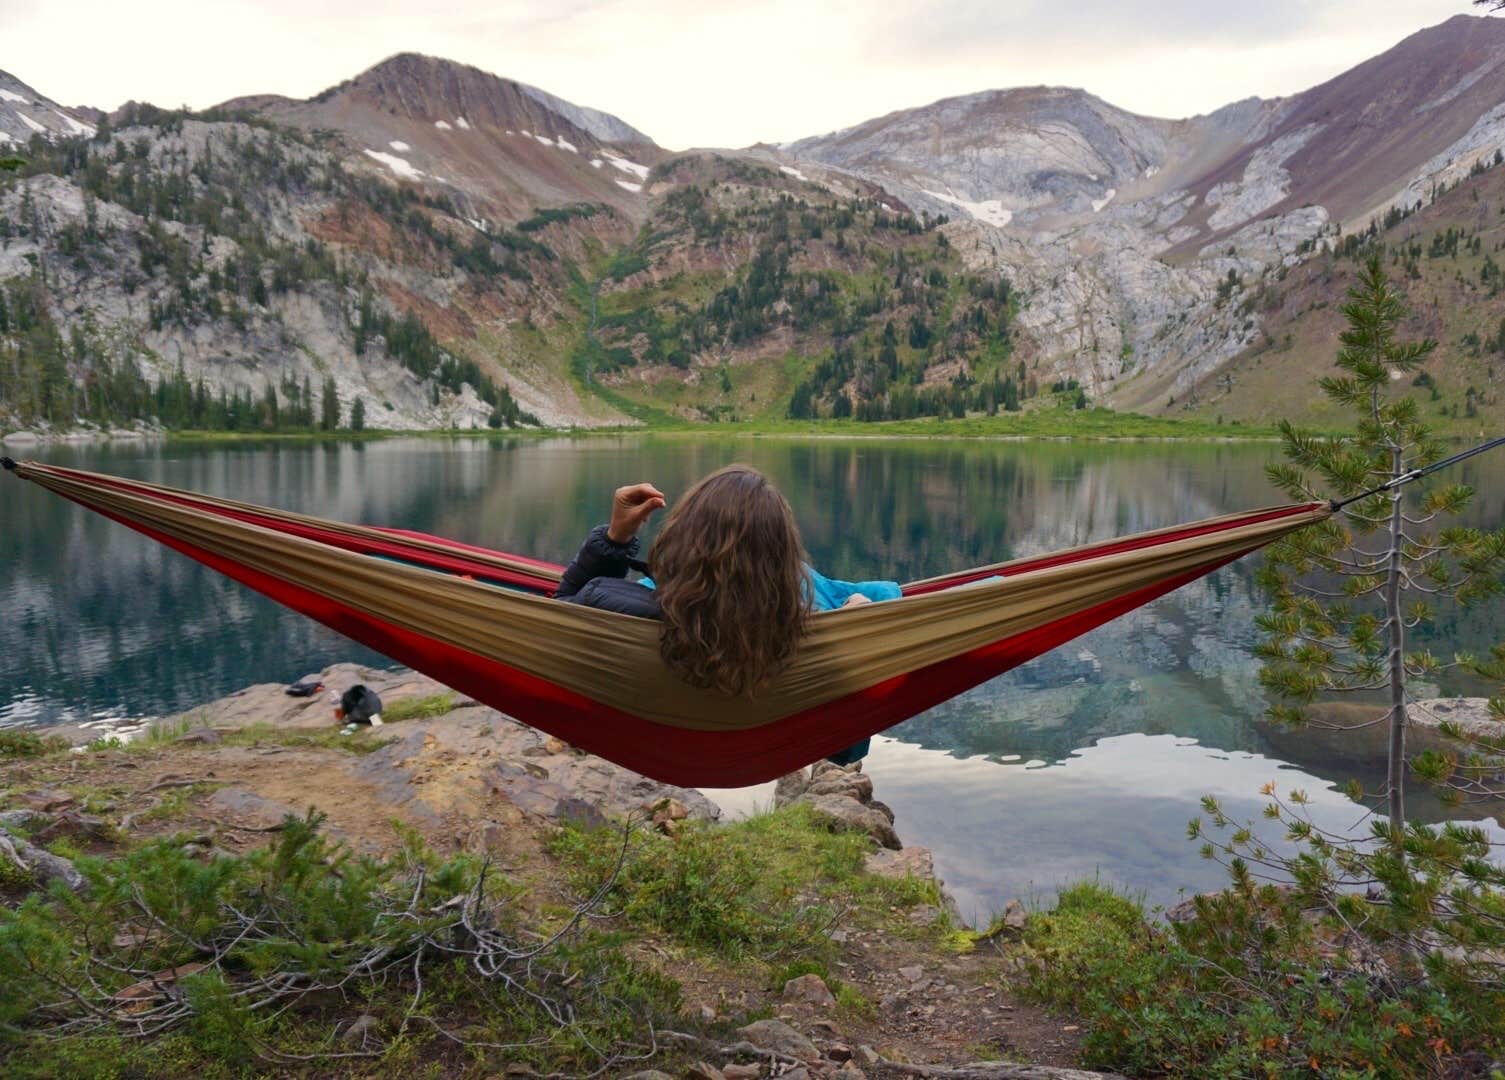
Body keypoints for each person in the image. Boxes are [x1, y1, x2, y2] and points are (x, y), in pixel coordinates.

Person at [554, 464, 900, 766]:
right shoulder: (805, 636)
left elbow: (559, 616)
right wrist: (852, 633)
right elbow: (846, 749)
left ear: (680, 538)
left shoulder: (616, 605)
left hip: (662, 740)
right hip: (758, 748)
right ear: (782, 562)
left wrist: (616, 537)